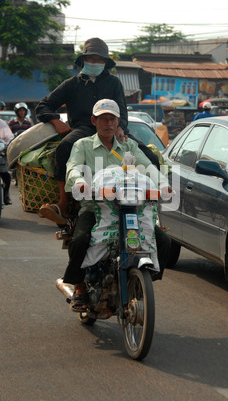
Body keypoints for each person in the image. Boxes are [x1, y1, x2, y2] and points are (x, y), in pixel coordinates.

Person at [63, 98, 171, 312]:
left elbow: (148, 168)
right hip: (94, 207)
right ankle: (79, 288)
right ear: (94, 120)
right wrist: (80, 181)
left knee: (163, 240)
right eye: (103, 119)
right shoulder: (82, 145)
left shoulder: (129, 146)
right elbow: (73, 167)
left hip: (131, 208)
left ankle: (141, 279)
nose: (108, 123)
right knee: (80, 240)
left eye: (112, 119)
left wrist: (164, 185)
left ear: (118, 121)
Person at [35, 37, 159, 224]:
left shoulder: (114, 83)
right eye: (91, 59)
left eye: (99, 60)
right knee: (63, 148)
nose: (94, 63)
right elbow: (43, 106)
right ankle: (63, 202)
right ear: (83, 61)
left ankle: (154, 212)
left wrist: (119, 127)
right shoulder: (71, 84)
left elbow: (123, 112)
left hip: (111, 127)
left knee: (151, 156)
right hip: (84, 128)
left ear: (105, 63)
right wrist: (56, 121)